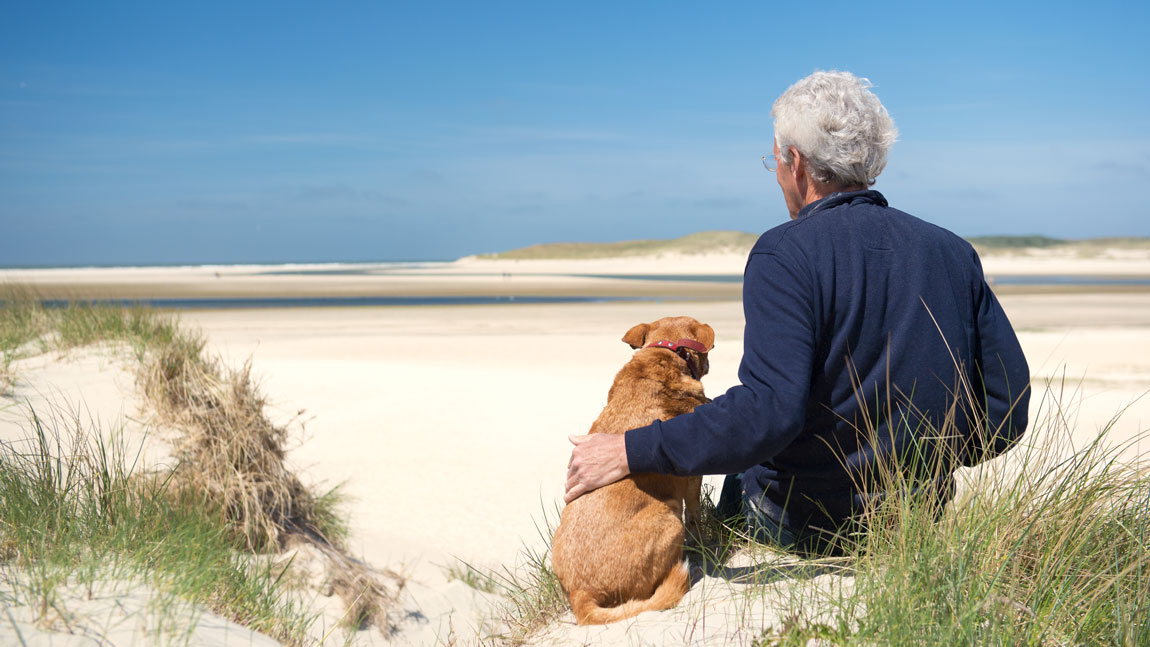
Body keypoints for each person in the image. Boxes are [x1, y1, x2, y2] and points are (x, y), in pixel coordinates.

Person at [563, 70, 1030, 554]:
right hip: (918, 520)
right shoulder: (951, 251)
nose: (779, 174)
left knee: (745, 466)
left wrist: (630, 449)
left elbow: (768, 412)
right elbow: (1006, 408)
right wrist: (926, 469)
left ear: (796, 162)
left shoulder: (783, 253)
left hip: (798, 525)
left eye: (775, 161)